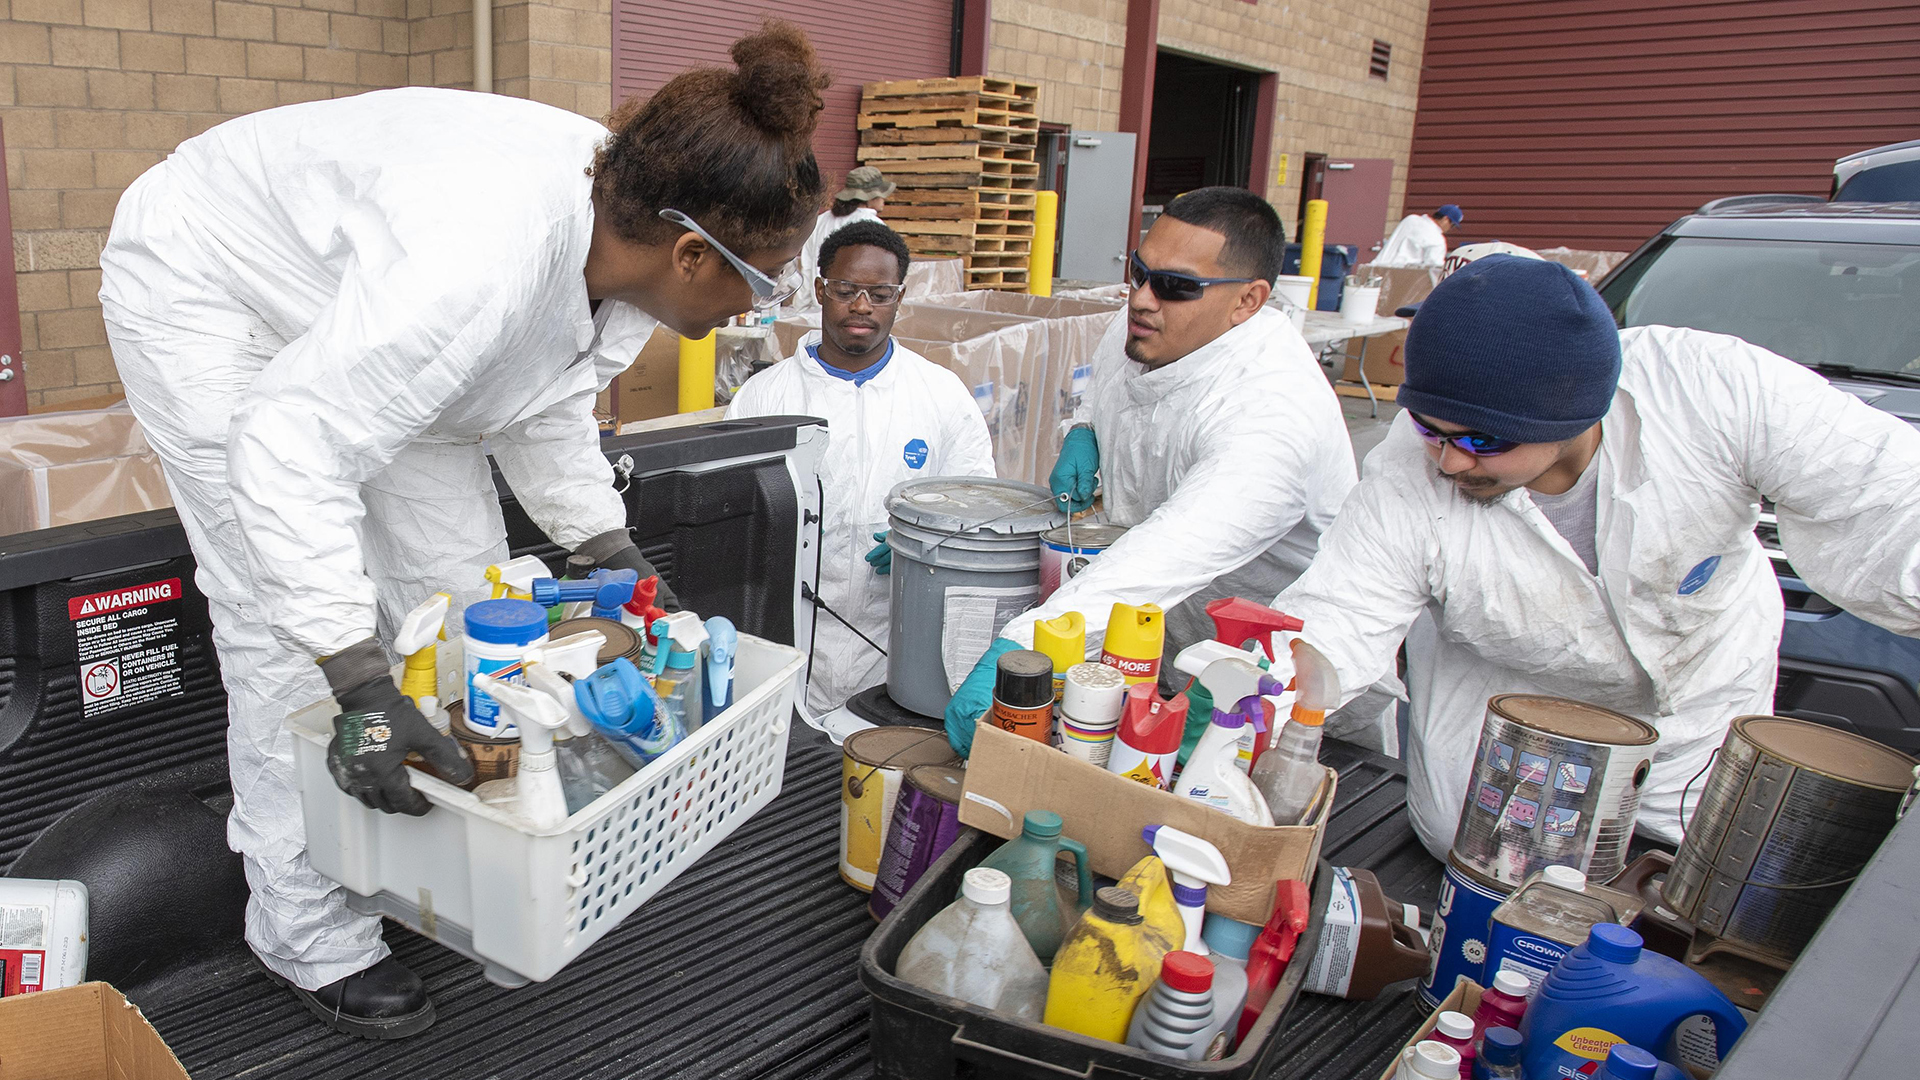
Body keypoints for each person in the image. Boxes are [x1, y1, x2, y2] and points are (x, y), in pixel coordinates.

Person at [96, 26, 830, 1037]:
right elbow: (288, 447)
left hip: (379, 314)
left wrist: (606, 548)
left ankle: (454, 874)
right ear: (693, 253)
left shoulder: (621, 240)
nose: (772, 305)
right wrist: (359, 686)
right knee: (288, 640)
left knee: (474, 606)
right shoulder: (474, 266)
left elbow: (537, 396)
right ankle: (308, 933)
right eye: (766, 280)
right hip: (211, 279)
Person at [1275, 255, 1920, 859]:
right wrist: (1249, 708)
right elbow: (1338, 617)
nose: (1449, 461)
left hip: (1694, 710)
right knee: (1472, 855)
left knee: (1683, 871)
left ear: (1573, 414)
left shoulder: (1715, 393)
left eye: (1480, 438)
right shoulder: (1406, 478)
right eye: (1429, 429)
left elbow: (1889, 500)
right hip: (1507, 713)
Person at [942, 186, 1365, 754]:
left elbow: (1169, 553)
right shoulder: (1151, 321)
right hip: (1154, 644)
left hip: (1271, 686)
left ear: (1248, 300)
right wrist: (1085, 430)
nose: (1142, 298)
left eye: (1175, 285)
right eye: (1139, 272)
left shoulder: (1274, 413)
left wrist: (1022, 650)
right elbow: (1108, 378)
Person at [728, 221, 994, 713]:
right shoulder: (765, 397)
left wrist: (924, 547)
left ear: (900, 297)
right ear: (820, 290)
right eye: (846, 289)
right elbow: (729, 514)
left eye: (880, 293)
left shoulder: (941, 396)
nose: (862, 306)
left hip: (893, 639)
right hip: (784, 636)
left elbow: (977, 509)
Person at [796, 165, 895, 301]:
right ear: (870, 197)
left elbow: (806, 268)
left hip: (817, 302)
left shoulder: (821, 221)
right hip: (852, 305)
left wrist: (801, 309)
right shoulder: (873, 225)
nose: (884, 199)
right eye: (881, 194)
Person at [1375, 204, 1462, 268]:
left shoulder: (1411, 219)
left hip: (1376, 268)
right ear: (1445, 219)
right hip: (1400, 279)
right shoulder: (1437, 240)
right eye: (1452, 225)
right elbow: (1434, 268)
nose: (1450, 229)